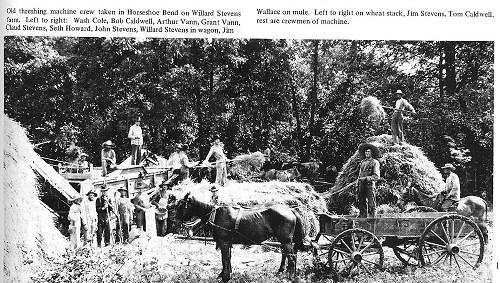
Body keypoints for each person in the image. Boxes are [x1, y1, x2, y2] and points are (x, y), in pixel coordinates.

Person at [357, 143, 381, 218]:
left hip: (369, 185)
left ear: (372, 153)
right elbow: (360, 175)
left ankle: (372, 220)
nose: (367, 153)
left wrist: (366, 178)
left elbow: (376, 177)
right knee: (361, 202)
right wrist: (358, 183)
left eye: (369, 151)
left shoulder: (375, 162)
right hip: (361, 185)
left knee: (371, 203)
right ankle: (363, 219)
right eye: (366, 151)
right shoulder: (362, 162)